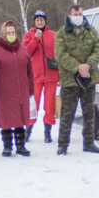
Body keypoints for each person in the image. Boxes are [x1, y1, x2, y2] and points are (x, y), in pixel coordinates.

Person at [54, 4, 99, 155]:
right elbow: (60, 55)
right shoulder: (62, 34)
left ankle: (89, 142)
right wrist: (78, 67)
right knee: (67, 113)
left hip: (89, 78)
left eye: (80, 13)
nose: (78, 16)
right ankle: (63, 144)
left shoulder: (91, 31)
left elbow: (98, 49)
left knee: (89, 113)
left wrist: (88, 65)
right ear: (69, 16)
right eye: (75, 14)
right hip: (70, 80)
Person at [0, 20, 34, 157]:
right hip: (4, 93)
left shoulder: (23, 49)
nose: (11, 34)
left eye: (13, 32)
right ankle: (7, 146)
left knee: (20, 119)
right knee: (6, 119)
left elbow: (30, 72)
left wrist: (31, 90)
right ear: (3, 34)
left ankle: (21, 145)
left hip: (21, 92)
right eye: (8, 32)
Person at [23, 9, 58, 143]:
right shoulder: (28, 35)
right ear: (34, 21)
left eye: (42, 20)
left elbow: (58, 54)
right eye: (37, 20)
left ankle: (47, 133)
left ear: (45, 21)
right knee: (33, 105)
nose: (39, 22)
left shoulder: (53, 35)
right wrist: (35, 39)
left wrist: (59, 75)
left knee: (49, 106)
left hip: (51, 75)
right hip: (35, 77)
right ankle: (28, 130)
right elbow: (26, 53)